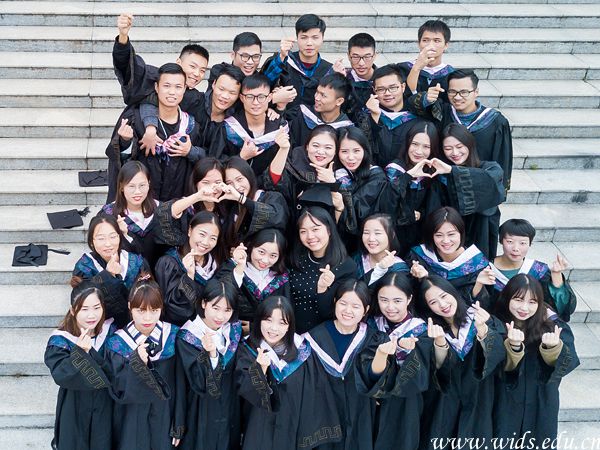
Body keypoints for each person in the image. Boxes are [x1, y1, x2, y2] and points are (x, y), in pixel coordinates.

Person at [235, 296, 342, 449]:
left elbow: (312, 396)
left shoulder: (303, 352)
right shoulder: (246, 349)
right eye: (268, 320)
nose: (274, 328)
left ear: (289, 326)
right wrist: (260, 369)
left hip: (291, 429)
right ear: (259, 320)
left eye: (282, 322)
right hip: (257, 430)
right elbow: (245, 394)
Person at [414, 275, 504, 448]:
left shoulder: (479, 317)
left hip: (478, 397)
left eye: (444, 296)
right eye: (433, 302)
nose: (442, 304)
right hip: (443, 402)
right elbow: (433, 371)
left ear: (453, 293)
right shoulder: (427, 331)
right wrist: (440, 343)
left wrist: (483, 330)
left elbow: (499, 356)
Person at [493, 274, 579, 444]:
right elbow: (490, 365)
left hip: (540, 398)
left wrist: (552, 349)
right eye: (518, 299)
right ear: (507, 297)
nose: (524, 307)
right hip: (504, 398)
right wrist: (513, 347)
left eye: (532, 302)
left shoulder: (552, 325)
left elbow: (567, 362)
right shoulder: (495, 323)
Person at [304, 279, 388, 450]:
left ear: (365, 310)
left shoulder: (373, 340)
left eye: (356, 306)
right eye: (343, 303)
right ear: (335, 302)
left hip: (361, 415)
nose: (348, 311)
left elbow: (376, 381)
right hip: (324, 416)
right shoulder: (313, 339)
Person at [106, 277, 185, 450]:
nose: (148, 318)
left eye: (154, 310)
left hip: (165, 415)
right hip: (130, 418)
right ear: (130, 307)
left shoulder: (173, 337)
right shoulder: (117, 343)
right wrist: (136, 364)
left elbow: (180, 384)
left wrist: (179, 421)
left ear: (161, 308)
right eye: (140, 310)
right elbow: (117, 388)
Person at [412, 69, 513, 192]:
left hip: (479, 187)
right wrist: (426, 98)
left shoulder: (496, 122)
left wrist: (498, 189)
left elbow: (502, 160)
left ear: (476, 92)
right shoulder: (441, 113)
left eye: (464, 92)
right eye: (452, 92)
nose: (457, 97)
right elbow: (413, 107)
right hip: (444, 187)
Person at [362, 272, 430, 450]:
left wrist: (408, 352)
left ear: (409, 299)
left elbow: (424, 375)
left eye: (397, 301)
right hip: (369, 400)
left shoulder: (421, 330)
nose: (390, 307)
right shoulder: (370, 325)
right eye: (384, 300)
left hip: (405, 403)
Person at [45, 281, 116, 450]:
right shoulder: (61, 340)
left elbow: (116, 371)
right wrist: (80, 353)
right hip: (74, 405)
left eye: (96, 308)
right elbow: (60, 374)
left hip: (105, 405)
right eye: (84, 309)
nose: (92, 315)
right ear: (73, 310)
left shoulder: (111, 333)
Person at [177, 279, 243, 450]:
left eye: (227, 310)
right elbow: (198, 382)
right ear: (204, 303)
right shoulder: (188, 337)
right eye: (215, 307)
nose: (220, 316)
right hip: (200, 408)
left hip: (229, 406)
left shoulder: (233, 331)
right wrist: (212, 355)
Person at [130, 63, 207, 201]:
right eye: (166, 86)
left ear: (185, 89)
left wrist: (190, 151)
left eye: (178, 87)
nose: (172, 92)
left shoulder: (191, 126)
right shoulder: (138, 121)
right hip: (144, 201)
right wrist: (125, 142)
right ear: (156, 87)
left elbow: (206, 157)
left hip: (179, 201)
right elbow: (124, 160)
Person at [430, 123, 506, 259]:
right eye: (448, 148)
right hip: (448, 233)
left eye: (459, 147)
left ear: (470, 144)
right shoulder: (440, 174)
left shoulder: (490, 168)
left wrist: (452, 170)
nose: (455, 153)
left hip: (480, 229)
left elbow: (492, 184)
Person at [265, 125, 353, 228]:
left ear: (335, 151)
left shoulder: (341, 174)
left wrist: (332, 183)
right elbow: (272, 183)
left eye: (328, 147)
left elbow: (350, 220)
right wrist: (283, 149)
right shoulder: (294, 165)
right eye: (315, 146)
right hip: (293, 227)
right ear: (307, 146)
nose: (320, 152)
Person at [491, 219, 576, 321]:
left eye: (523, 243)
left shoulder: (538, 270)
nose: (516, 248)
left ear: (530, 243)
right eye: (510, 242)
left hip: (530, 325)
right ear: (501, 241)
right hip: (495, 325)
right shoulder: (487, 269)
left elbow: (560, 308)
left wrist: (556, 275)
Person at [288, 207, 357, 333]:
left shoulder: (346, 267)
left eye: (315, 229)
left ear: (329, 230)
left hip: (324, 336)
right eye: (303, 231)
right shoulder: (296, 258)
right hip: (292, 333)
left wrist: (323, 289)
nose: (310, 236)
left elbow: (332, 313)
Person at [73, 215, 149, 328]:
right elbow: (83, 300)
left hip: (137, 324)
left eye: (113, 236)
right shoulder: (85, 265)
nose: (108, 244)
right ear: (92, 242)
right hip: (100, 327)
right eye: (101, 238)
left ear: (119, 237)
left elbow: (148, 294)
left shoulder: (135, 261)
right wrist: (108, 275)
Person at [409, 207, 494, 306]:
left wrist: (478, 285)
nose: (446, 241)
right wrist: (421, 279)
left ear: (461, 233)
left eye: (451, 234)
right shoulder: (419, 257)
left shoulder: (477, 263)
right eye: (439, 235)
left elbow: (483, 305)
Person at [155, 211, 225, 326]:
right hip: (175, 329)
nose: (205, 242)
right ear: (190, 231)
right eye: (202, 234)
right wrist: (189, 277)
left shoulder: (215, 264)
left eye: (213, 238)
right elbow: (174, 310)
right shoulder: (169, 263)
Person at [215, 73, 290, 178]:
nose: (255, 102)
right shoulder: (228, 128)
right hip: (233, 184)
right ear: (242, 98)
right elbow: (216, 166)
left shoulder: (280, 129)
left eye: (261, 97)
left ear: (269, 98)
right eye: (250, 97)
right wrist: (241, 157)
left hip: (269, 186)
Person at [381, 121, 439, 255]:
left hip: (419, 237)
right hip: (394, 236)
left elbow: (433, 206)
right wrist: (408, 176)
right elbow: (387, 205)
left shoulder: (432, 171)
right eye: (415, 144)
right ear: (407, 143)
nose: (419, 151)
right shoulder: (395, 170)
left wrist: (422, 214)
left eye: (426, 146)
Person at [262, 14, 333, 120]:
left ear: (322, 38)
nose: (309, 43)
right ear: (297, 38)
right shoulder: (284, 61)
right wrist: (281, 57)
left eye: (315, 37)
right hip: (279, 120)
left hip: (314, 125)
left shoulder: (329, 70)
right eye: (304, 37)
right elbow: (262, 83)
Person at [217, 228, 290, 330]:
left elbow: (284, 313)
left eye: (273, 255)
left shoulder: (281, 278)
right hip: (228, 330)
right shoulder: (231, 267)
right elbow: (220, 296)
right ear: (251, 246)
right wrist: (239, 266)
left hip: (266, 333)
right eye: (261, 252)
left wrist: (253, 327)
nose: (265, 260)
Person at [101, 161, 168, 268]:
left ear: (149, 184)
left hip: (160, 272)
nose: (137, 192)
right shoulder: (109, 214)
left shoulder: (162, 210)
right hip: (125, 272)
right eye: (131, 186)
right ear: (121, 187)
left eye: (142, 185)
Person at [360, 65, 422, 168]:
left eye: (393, 88)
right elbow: (363, 148)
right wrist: (373, 117)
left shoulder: (417, 118)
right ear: (374, 90)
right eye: (381, 89)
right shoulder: (365, 116)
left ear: (403, 87)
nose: (387, 93)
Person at [335, 127, 387, 242]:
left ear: (365, 150)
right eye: (344, 151)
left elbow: (358, 210)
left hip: (363, 239)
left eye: (356, 151)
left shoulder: (376, 176)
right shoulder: (333, 173)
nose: (351, 157)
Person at [290, 73, 354, 149]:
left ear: (339, 101)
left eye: (323, 95)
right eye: (317, 92)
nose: (317, 98)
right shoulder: (300, 114)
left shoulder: (346, 130)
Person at [398, 20, 454, 102]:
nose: (430, 45)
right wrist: (416, 68)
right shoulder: (402, 69)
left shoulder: (451, 74)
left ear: (446, 45)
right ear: (418, 43)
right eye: (425, 40)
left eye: (437, 41)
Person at [354, 214, 409, 287]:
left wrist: (380, 270)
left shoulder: (400, 269)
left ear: (392, 235)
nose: (371, 239)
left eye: (377, 233)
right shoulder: (356, 259)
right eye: (366, 233)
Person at [334, 33, 378, 121]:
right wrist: (338, 80)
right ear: (348, 56)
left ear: (375, 56)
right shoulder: (343, 77)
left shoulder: (383, 79)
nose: (361, 63)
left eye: (367, 57)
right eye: (355, 57)